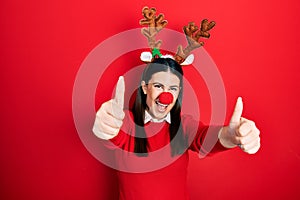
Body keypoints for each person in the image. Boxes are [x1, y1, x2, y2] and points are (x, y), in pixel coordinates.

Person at [92, 57, 261, 200]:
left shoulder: (184, 125)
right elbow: (114, 134)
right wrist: (106, 127)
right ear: (145, 88)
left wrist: (229, 136)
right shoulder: (127, 122)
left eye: (172, 89)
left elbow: (204, 138)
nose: (166, 96)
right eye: (158, 86)